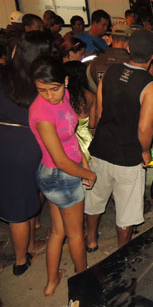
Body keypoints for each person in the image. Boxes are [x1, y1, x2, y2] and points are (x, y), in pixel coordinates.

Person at [85, 29, 153, 249]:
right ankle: (121, 253)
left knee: (95, 199)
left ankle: (91, 240)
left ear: (128, 48)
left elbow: (99, 112)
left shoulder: (109, 72)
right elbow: (144, 128)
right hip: (128, 156)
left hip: (101, 148)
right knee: (126, 210)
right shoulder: (152, 86)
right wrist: (146, 151)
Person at [29, 57, 96, 296]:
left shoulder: (65, 96)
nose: (49, 96)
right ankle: (84, 281)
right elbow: (60, 160)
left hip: (63, 171)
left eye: (54, 88)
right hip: (61, 175)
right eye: (41, 90)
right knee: (76, 233)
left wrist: (84, 159)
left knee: (58, 231)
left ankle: (51, 282)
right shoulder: (42, 112)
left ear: (65, 81)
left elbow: (72, 137)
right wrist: (87, 173)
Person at [0, 31, 52, 277]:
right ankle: (21, 260)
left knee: (23, 197)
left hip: (4, 139)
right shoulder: (41, 80)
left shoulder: (3, 73)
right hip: (27, 143)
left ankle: (31, 245)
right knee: (20, 205)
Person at [64, 61, 97, 161]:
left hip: (67, 143)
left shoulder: (62, 96)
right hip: (87, 144)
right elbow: (92, 124)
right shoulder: (91, 96)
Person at [86, 23, 132, 93]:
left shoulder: (95, 62)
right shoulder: (133, 62)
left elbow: (92, 88)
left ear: (110, 38)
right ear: (130, 41)